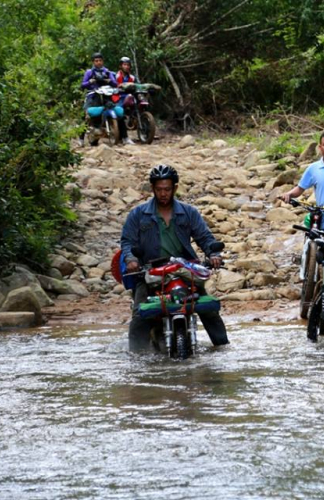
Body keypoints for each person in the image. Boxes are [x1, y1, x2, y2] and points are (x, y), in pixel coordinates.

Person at [120, 164, 229, 351]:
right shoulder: (138, 214)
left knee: (209, 309)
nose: (163, 194)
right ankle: (135, 357)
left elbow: (205, 238)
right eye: (159, 189)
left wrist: (213, 254)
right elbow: (127, 242)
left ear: (175, 188)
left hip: (184, 269)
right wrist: (131, 260)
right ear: (153, 189)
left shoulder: (189, 212)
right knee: (140, 314)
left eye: (167, 189)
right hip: (149, 271)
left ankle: (223, 349)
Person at [112, 56, 138, 145]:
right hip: (119, 97)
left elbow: (138, 86)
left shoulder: (132, 77)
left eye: (128, 65)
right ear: (121, 66)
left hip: (130, 97)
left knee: (140, 105)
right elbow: (112, 86)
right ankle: (125, 137)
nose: (126, 67)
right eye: (124, 65)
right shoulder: (115, 76)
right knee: (120, 115)